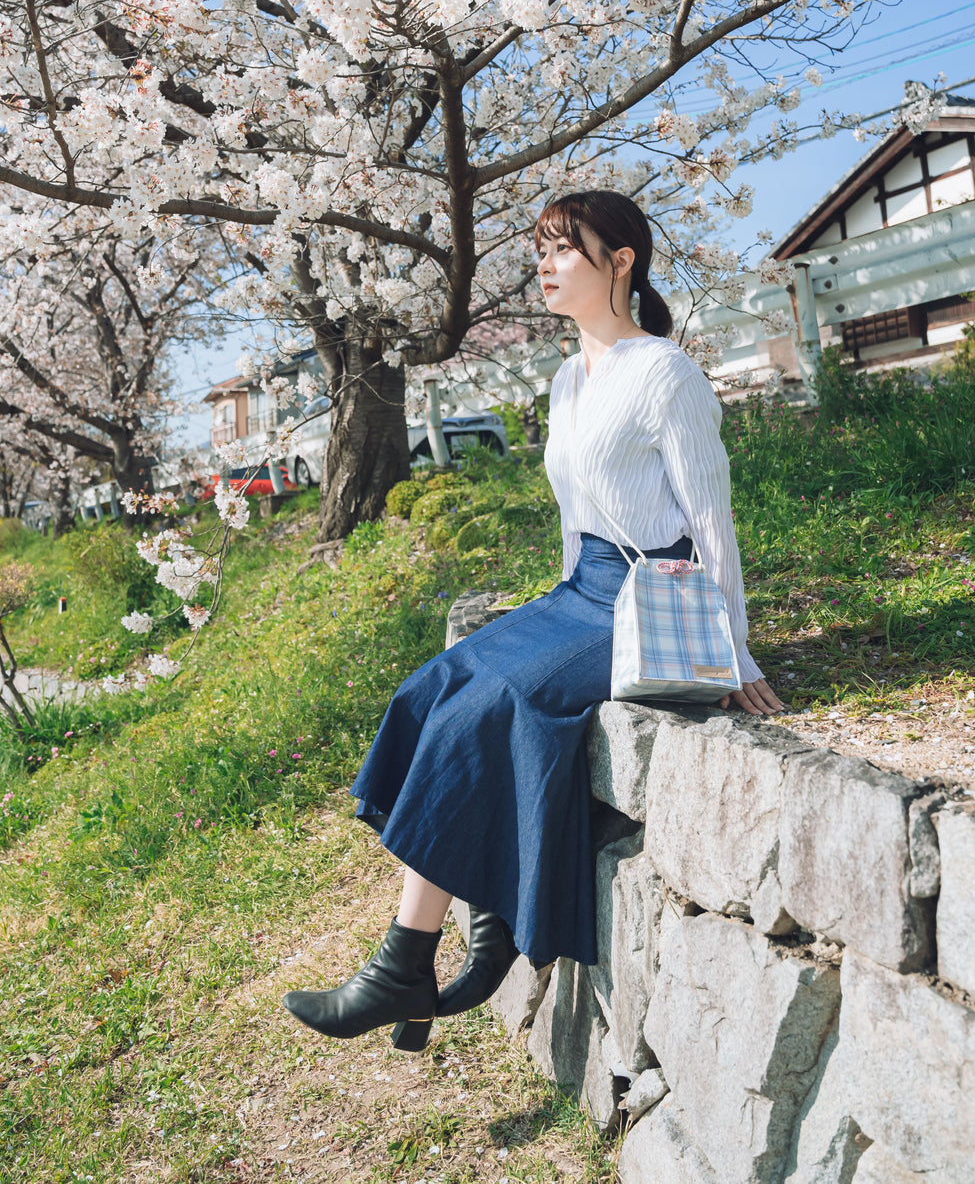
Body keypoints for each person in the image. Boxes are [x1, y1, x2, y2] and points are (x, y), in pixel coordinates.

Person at [283, 190, 782, 1051]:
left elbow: (712, 522)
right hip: (579, 591)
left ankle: (405, 962)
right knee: (440, 683)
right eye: (541, 252)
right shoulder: (567, 375)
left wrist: (732, 653)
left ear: (620, 261)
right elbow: (574, 513)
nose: (544, 268)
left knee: (493, 705)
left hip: (641, 599)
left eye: (563, 251)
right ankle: (469, 938)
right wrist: (552, 601)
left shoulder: (667, 372)